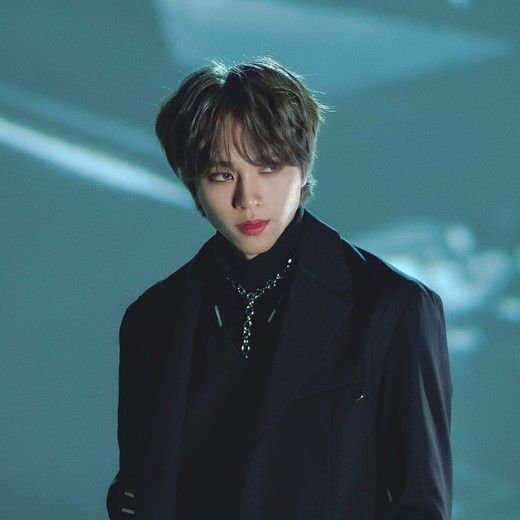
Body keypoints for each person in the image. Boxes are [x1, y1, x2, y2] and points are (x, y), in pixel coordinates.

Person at [106, 57, 453, 519]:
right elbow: (137, 488)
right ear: (194, 185)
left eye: (268, 167)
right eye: (222, 175)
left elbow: (419, 505)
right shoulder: (152, 319)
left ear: (302, 167)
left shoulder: (393, 308)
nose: (247, 198)